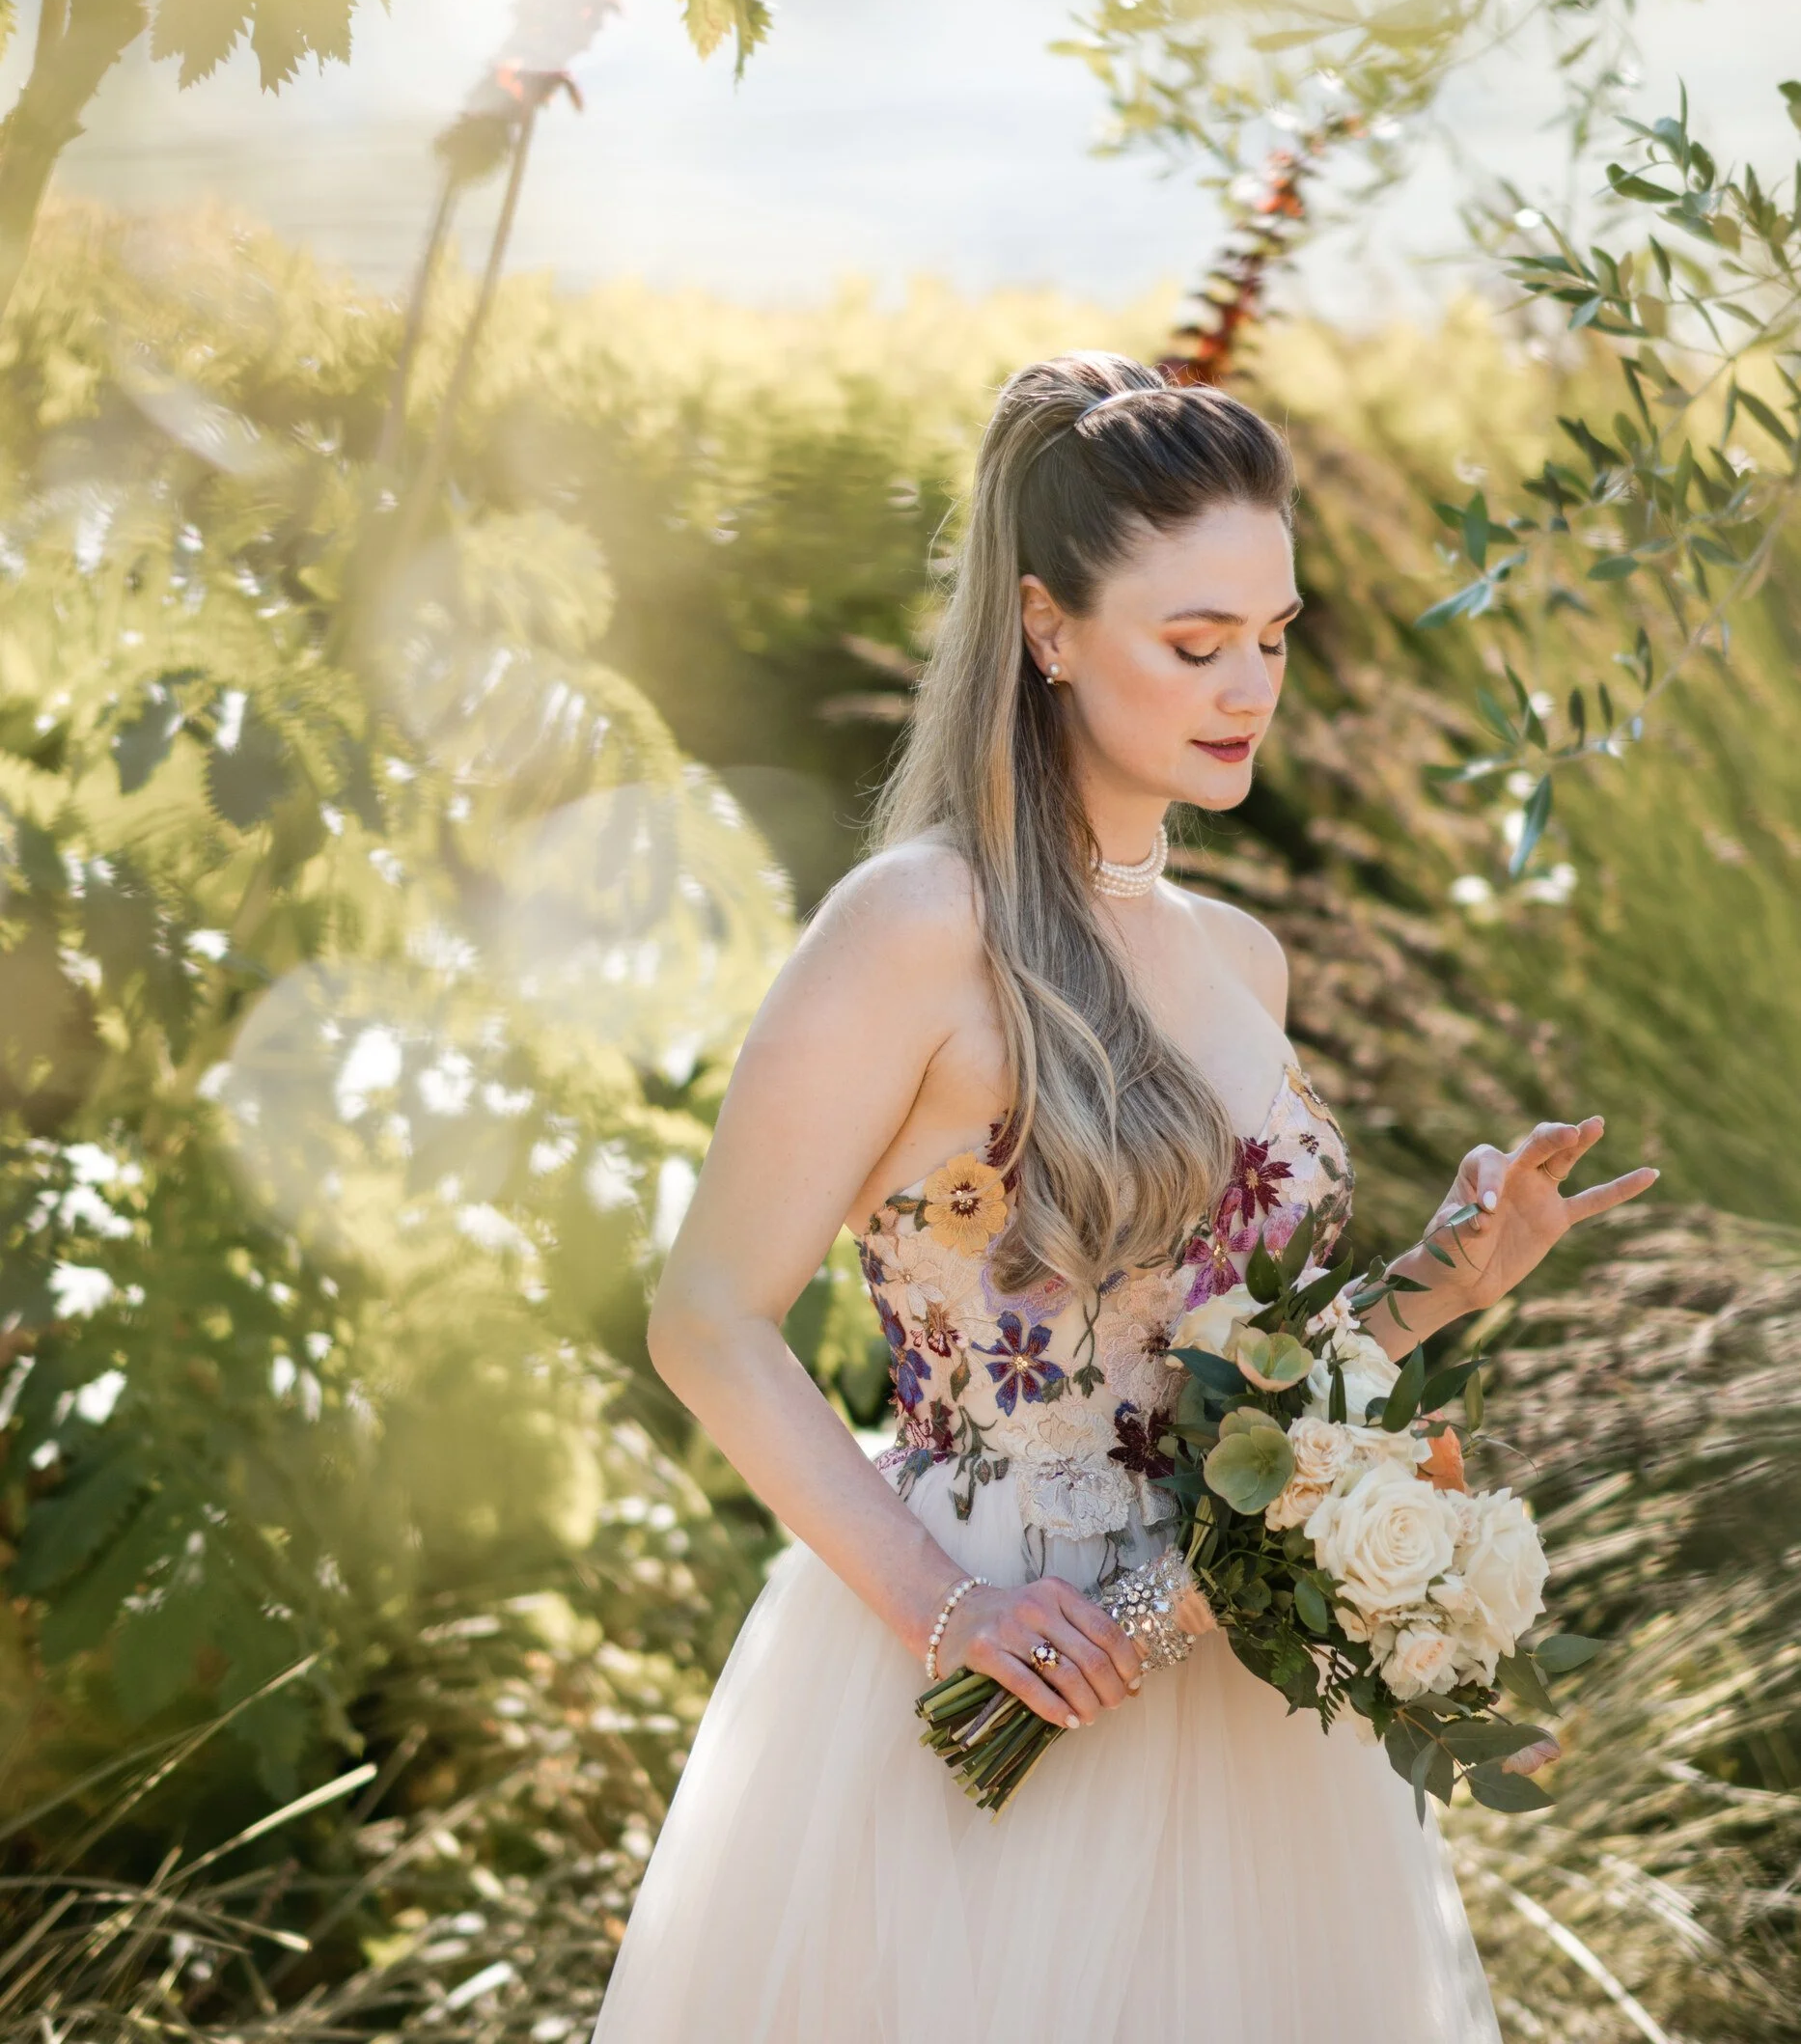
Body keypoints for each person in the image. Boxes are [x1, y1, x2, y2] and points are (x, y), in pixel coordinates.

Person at [592, 355, 1657, 2044]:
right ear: (1046, 625)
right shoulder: (916, 924)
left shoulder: (1243, 956)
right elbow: (704, 1318)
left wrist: (1453, 1277)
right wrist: (946, 1611)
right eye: (1194, 641)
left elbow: (1244, 1382)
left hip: (1221, 1676)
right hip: (985, 1635)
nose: (1249, 688)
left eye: (1275, 636)